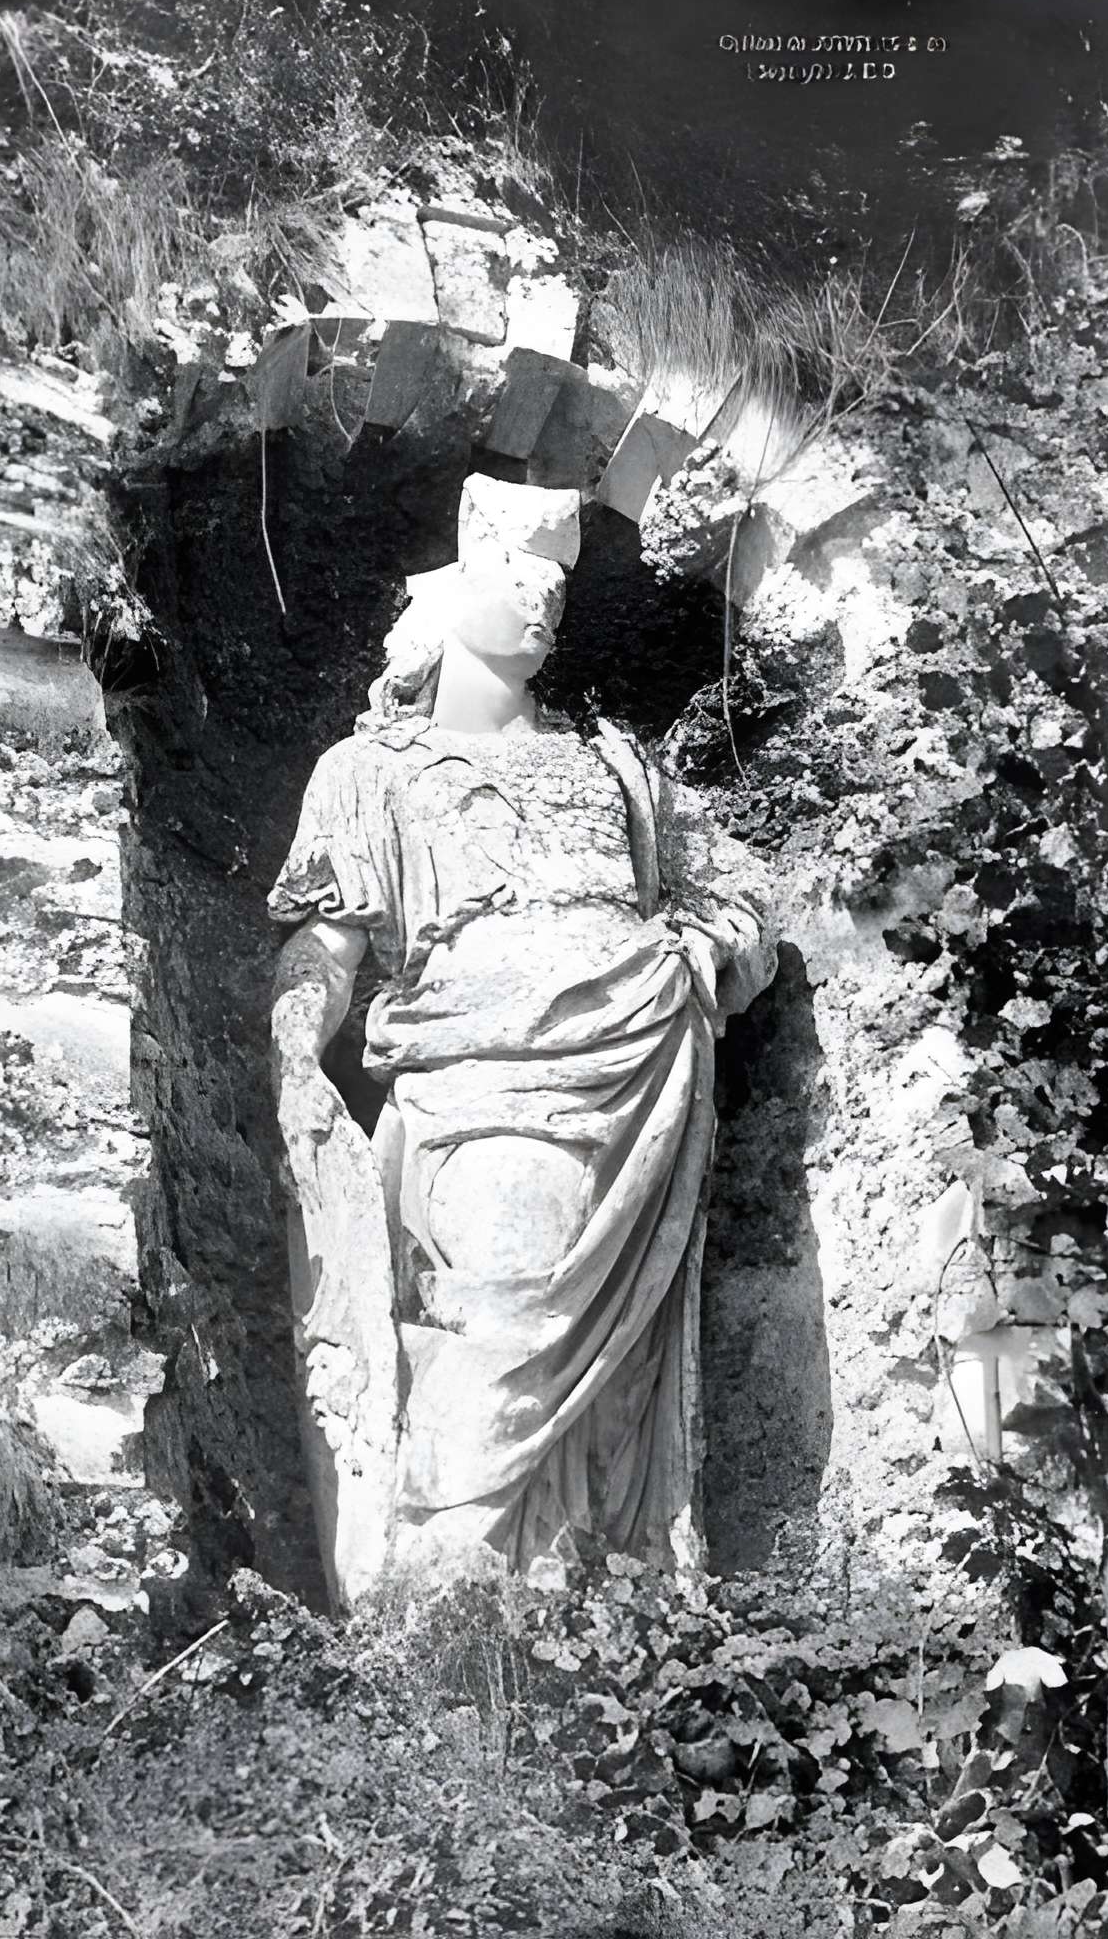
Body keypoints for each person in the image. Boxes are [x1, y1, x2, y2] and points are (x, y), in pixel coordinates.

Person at [269, 475, 778, 1605]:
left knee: (613, 1361)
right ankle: (441, 1583)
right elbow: (327, 944)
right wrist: (295, 1053)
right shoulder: (374, 772)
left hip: (639, 1059)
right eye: (519, 577)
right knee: (501, 1286)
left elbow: (745, 896)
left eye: (557, 584)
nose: (545, 601)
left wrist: (691, 950)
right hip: (481, 1074)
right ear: (453, 595)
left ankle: (578, 1599)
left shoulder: (614, 765)